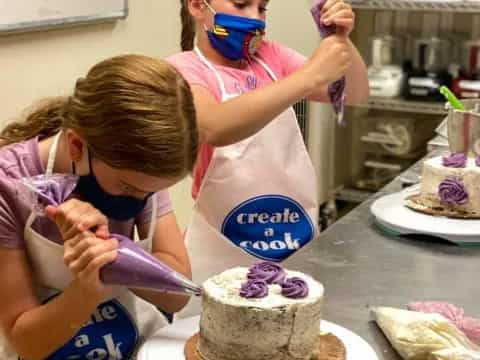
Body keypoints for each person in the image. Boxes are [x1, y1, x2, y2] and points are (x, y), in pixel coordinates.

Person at [0, 54, 198, 359]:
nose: (139, 200)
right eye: (129, 189)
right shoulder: (8, 184)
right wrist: (89, 285)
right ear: (77, 145)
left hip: (131, 341)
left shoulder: (142, 175)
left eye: (150, 193)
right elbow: (25, 342)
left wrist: (117, 255)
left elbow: (175, 299)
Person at [167, 0, 369, 294]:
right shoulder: (184, 68)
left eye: (262, 8)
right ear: (198, 6)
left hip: (290, 242)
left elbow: (355, 93)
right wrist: (308, 77)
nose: (255, 19)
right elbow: (213, 126)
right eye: (241, 4)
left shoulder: (271, 57)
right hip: (221, 246)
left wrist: (340, 39)